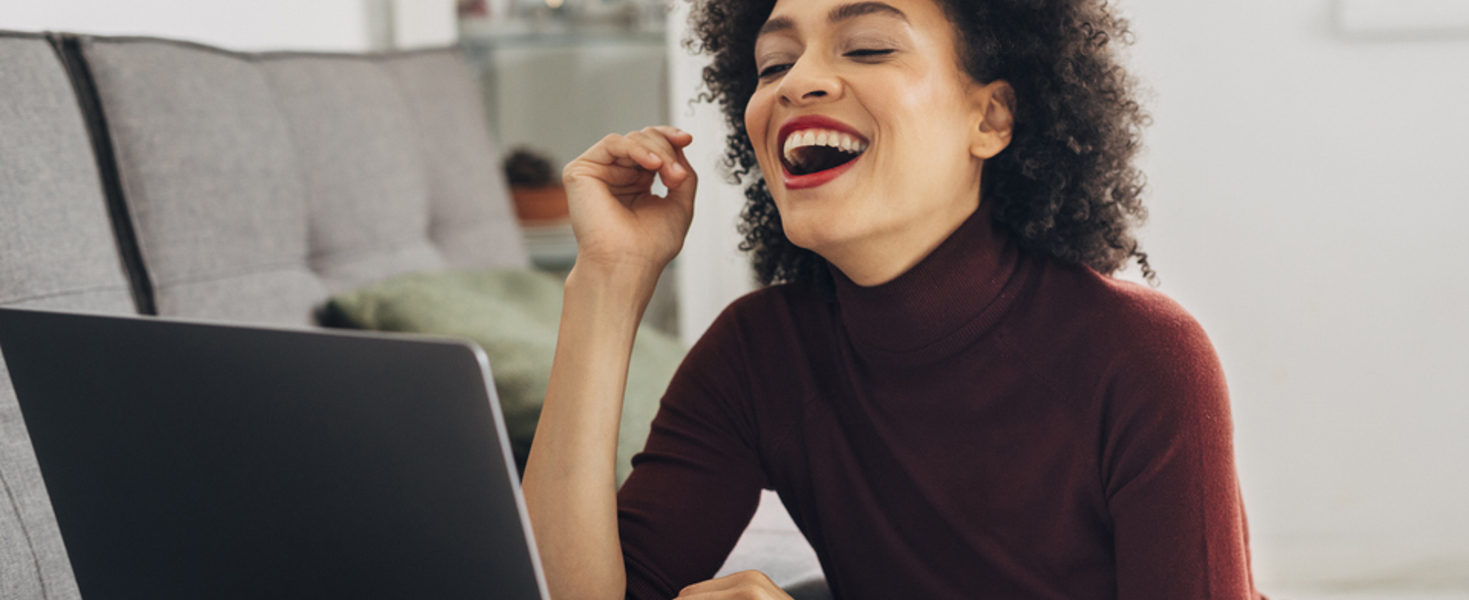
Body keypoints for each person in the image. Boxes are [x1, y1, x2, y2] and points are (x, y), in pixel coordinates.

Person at [521, 0, 1264, 597]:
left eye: (868, 47)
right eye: (774, 62)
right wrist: (609, 281)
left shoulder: (1142, 356)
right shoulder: (760, 353)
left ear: (991, 119)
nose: (796, 82)